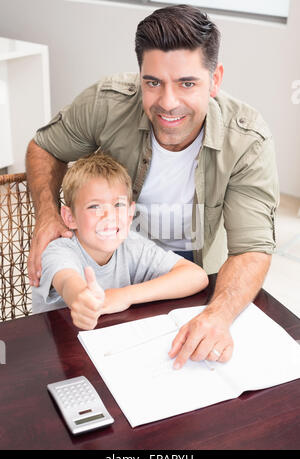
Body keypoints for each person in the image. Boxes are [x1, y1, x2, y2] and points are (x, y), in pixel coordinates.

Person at [26, 5, 279, 366]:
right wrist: (48, 213)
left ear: (215, 79)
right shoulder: (107, 103)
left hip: (190, 276)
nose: (168, 102)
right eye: (153, 82)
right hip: (113, 264)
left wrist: (218, 314)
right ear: (140, 76)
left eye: (187, 83)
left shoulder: (247, 139)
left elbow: (252, 248)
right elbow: (44, 146)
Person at [32, 153, 208, 329]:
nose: (109, 216)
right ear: (70, 217)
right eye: (94, 206)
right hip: (59, 345)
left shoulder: (132, 245)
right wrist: (81, 296)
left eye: (119, 205)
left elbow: (196, 276)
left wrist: (123, 296)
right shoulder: (59, 250)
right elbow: (67, 281)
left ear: (130, 213)